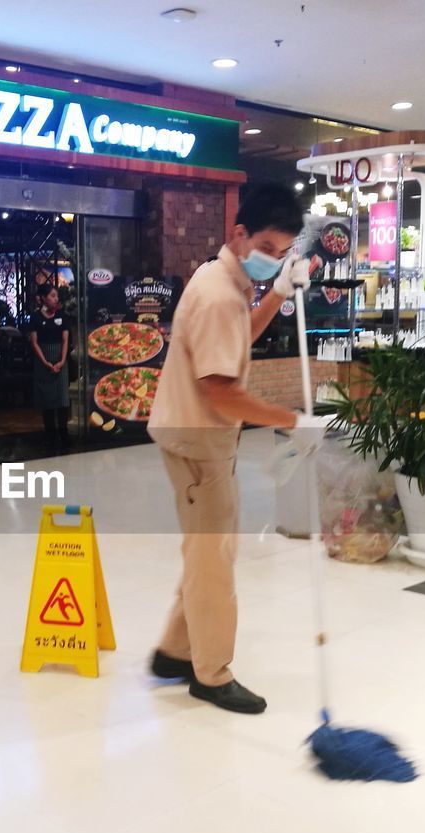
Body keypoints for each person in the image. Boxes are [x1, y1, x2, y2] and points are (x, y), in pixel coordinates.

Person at [146, 182, 327, 715]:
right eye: (267, 250)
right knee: (214, 564)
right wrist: (294, 420)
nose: (272, 260)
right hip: (199, 440)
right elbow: (222, 392)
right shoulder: (218, 292)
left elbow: (237, 338)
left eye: (281, 253)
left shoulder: (219, 275)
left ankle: (175, 653)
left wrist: (277, 295)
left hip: (197, 435)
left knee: (208, 553)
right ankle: (211, 674)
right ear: (239, 233)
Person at [27, 283, 70, 451]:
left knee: (62, 399)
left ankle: (64, 433)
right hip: (43, 361)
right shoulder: (36, 317)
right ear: (43, 298)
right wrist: (45, 362)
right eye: (52, 296)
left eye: (56, 296)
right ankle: (50, 434)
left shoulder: (62, 315)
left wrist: (62, 360)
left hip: (60, 361)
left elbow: (65, 340)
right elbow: (34, 342)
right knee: (47, 400)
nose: (56, 299)